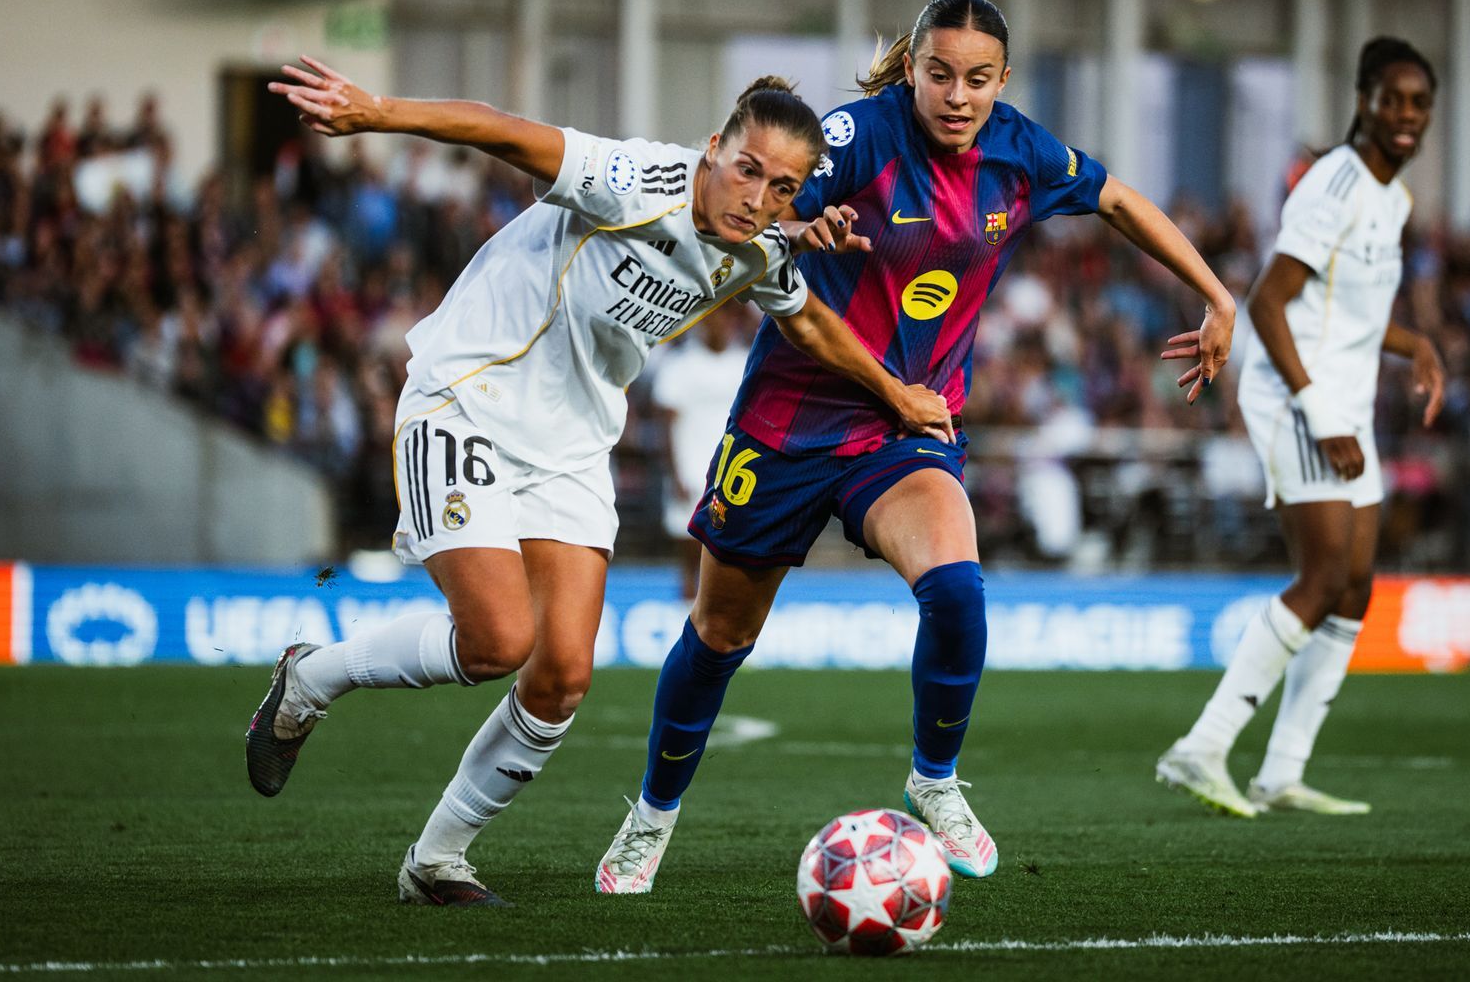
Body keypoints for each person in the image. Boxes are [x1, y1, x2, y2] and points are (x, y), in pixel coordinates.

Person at [246, 57, 954, 907]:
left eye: (782, 187)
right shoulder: (636, 178)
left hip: (574, 446)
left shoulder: (760, 246)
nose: (758, 199)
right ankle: (312, 677)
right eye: (746, 170)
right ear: (711, 149)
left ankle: (434, 862)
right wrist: (378, 112)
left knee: (559, 682)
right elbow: (504, 130)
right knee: (497, 643)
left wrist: (897, 394)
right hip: (467, 398)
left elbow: (809, 323)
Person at [595, 0, 1236, 893]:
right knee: (719, 634)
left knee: (958, 588)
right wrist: (799, 221)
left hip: (905, 426)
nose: (958, 95)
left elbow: (1120, 199)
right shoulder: (858, 133)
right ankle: (650, 819)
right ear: (912, 69)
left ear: (1002, 81)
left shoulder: (1021, 151)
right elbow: (771, 204)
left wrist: (1217, 294)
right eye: (939, 73)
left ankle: (935, 780)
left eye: (978, 78)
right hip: (785, 423)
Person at [1155, 36, 1444, 818]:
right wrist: (1318, 410)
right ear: (1364, 101)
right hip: (1298, 399)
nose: (1407, 115)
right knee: (1320, 579)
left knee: (1354, 588)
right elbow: (1270, 304)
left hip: (1343, 401)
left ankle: (1281, 771)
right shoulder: (1335, 184)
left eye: (1420, 102)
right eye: (1394, 99)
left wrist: (1413, 344)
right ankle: (1201, 749)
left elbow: (1346, 313)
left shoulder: (1394, 198)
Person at [647, 304, 755, 598]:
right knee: (690, 552)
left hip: (732, 474)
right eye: (719, 317)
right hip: (691, 472)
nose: (725, 324)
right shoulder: (679, 365)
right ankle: (686, 612)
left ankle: (721, 617)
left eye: (730, 318)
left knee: (729, 552)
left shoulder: (745, 363)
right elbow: (666, 427)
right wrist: (674, 475)